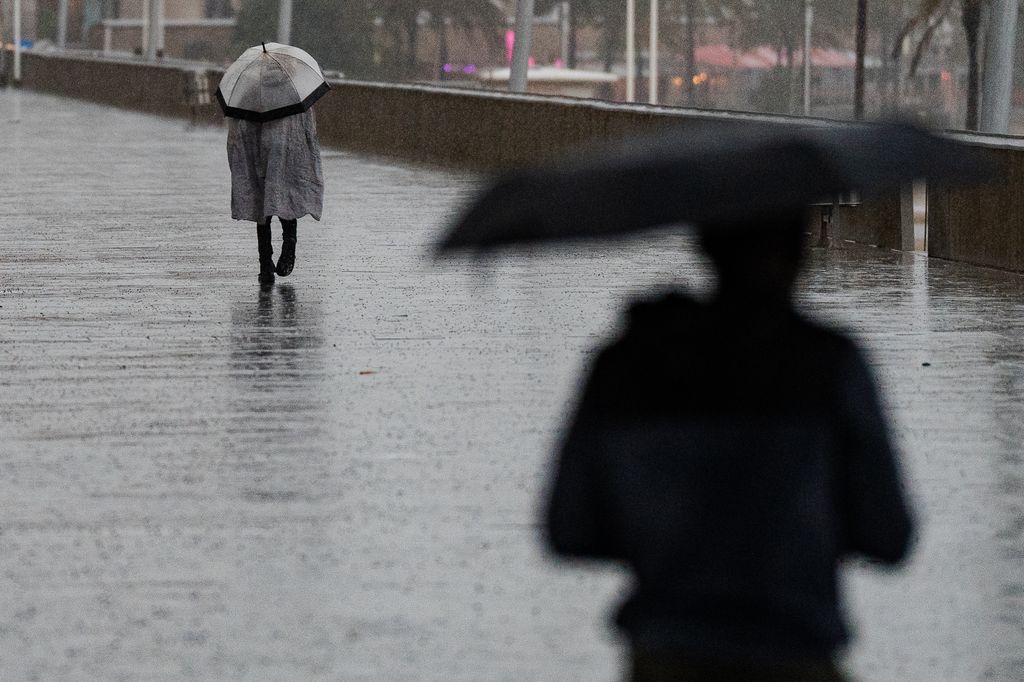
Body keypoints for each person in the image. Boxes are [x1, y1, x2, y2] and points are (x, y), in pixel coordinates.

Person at [545, 208, 915, 681]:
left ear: (703, 247)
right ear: (800, 252)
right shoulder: (829, 365)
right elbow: (888, 534)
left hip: (666, 656)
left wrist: (669, 538)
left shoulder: (628, 364)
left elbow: (569, 529)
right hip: (796, 652)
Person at [228, 108, 323, 284]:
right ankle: (282, 250)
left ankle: (269, 259)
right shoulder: (293, 94)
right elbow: (308, 127)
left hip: (270, 149)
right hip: (275, 149)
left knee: (267, 204)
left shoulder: (253, 92)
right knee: (278, 200)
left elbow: (238, 127)